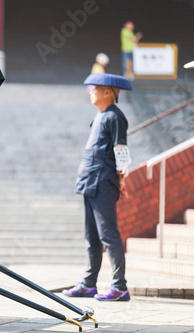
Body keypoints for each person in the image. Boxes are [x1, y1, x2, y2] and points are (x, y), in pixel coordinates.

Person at [63, 73, 132, 302]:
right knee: (91, 236)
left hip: (103, 181)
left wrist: (121, 179)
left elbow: (120, 149)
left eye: (95, 88)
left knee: (108, 235)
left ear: (107, 93)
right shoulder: (99, 116)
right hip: (89, 180)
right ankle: (89, 283)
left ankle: (119, 287)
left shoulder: (115, 117)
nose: (91, 91)